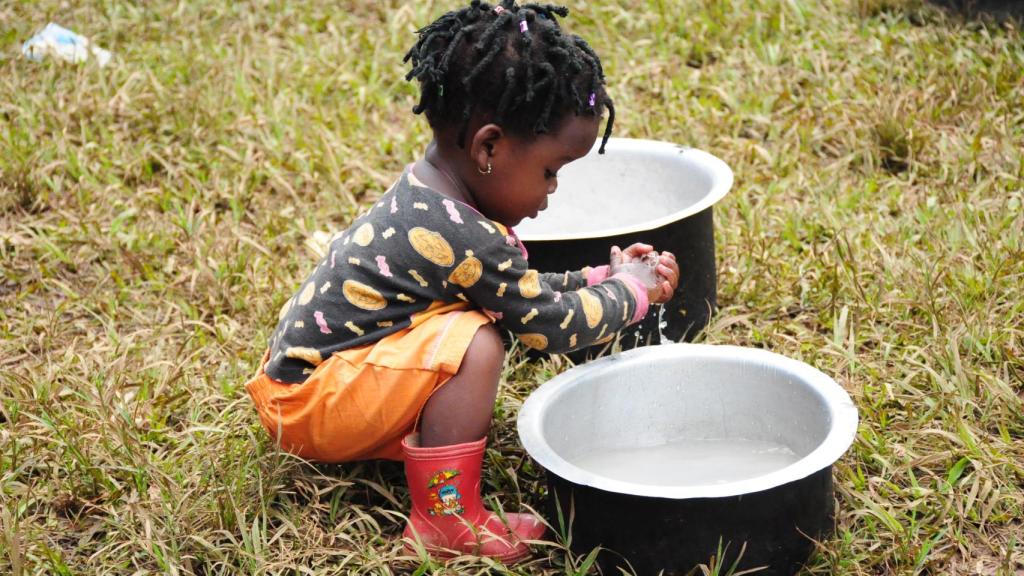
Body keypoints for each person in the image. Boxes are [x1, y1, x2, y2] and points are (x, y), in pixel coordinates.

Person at [244, 0, 680, 564]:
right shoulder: (465, 234)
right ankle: (446, 521)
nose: (552, 191)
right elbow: (547, 328)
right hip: (311, 406)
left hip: (313, 385)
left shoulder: (435, 197)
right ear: (489, 148)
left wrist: (601, 275)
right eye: (550, 172)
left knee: (468, 325)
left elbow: (520, 290)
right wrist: (632, 293)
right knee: (475, 343)